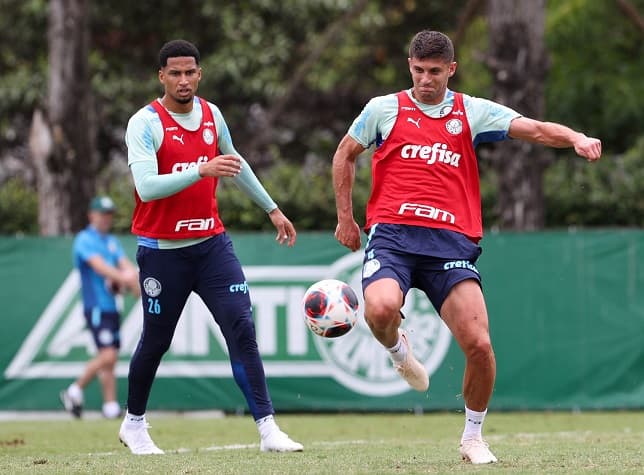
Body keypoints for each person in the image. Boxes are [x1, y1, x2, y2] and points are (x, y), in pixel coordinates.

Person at [331, 30, 601, 464]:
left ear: (450, 70)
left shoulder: (469, 111)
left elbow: (532, 128)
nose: (425, 80)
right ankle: (399, 351)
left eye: (435, 71)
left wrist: (574, 138)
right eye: (418, 70)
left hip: (449, 244)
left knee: (479, 345)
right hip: (394, 237)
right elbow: (344, 155)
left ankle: (473, 437)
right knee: (379, 310)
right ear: (409, 66)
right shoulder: (383, 109)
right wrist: (345, 218)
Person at [120, 39, 302, 455]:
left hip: (212, 246)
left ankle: (268, 429)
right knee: (156, 341)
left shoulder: (211, 114)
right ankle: (134, 423)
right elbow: (147, 189)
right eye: (175, 73)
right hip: (163, 252)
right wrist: (201, 169)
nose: (183, 80)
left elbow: (233, 163)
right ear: (161, 76)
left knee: (242, 329)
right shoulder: (144, 123)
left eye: (190, 72)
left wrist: (272, 208)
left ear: (199, 74)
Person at [60, 195, 140, 420]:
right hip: (96, 306)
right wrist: (129, 280)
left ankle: (110, 406)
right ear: (91, 215)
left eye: (109, 215)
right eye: (102, 214)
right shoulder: (84, 239)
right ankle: (74, 390)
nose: (106, 219)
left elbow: (125, 265)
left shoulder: (111, 241)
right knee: (108, 355)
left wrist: (134, 278)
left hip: (112, 306)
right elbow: (101, 268)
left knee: (110, 358)